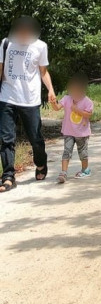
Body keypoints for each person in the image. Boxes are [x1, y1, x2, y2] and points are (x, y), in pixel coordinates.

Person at [0, 16, 56, 192]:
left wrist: (51, 90)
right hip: (7, 96)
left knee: (36, 138)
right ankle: (8, 176)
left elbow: (43, 72)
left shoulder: (40, 46)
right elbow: (0, 69)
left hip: (30, 99)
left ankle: (41, 163)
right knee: (6, 139)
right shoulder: (6, 44)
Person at [50, 73, 94, 183]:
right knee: (67, 151)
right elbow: (57, 108)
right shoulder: (66, 99)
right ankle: (63, 173)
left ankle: (85, 170)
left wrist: (77, 110)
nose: (75, 93)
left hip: (82, 133)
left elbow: (89, 115)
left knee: (82, 152)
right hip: (68, 132)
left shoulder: (87, 101)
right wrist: (53, 102)